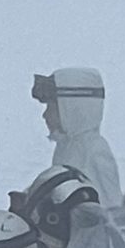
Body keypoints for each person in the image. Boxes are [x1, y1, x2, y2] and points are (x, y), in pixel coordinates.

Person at [32, 68, 116, 200]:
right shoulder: (66, 147)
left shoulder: (94, 152)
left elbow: (111, 208)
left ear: (72, 108)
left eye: (51, 107)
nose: (44, 115)